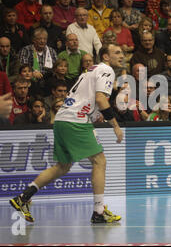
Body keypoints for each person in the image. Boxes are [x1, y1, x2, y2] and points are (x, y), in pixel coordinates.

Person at [9, 44, 124, 224]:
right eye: (117, 52)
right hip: (76, 120)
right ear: (106, 57)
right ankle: (99, 211)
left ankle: (23, 197)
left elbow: (90, 98)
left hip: (62, 119)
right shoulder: (106, 69)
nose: (122, 55)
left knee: (63, 166)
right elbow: (101, 99)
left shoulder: (91, 70)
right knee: (99, 161)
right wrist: (115, 126)